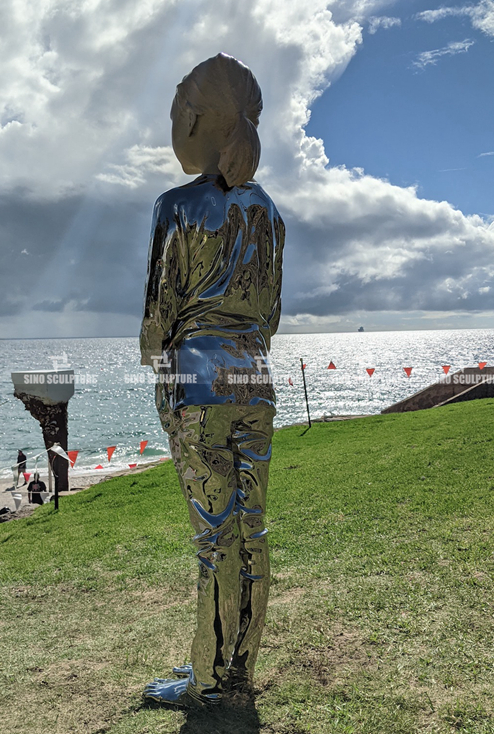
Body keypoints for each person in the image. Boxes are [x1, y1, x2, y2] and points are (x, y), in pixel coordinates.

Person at [140, 54, 284, 708]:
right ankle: (238, 673)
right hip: (254, 382)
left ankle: (204, 680)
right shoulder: (269, 214)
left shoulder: (176, 207)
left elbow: (158, 317)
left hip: (197, 390)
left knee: (213, 541)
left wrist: (165, 384)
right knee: (249, 533)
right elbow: (271, 314)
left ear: (197, 119)